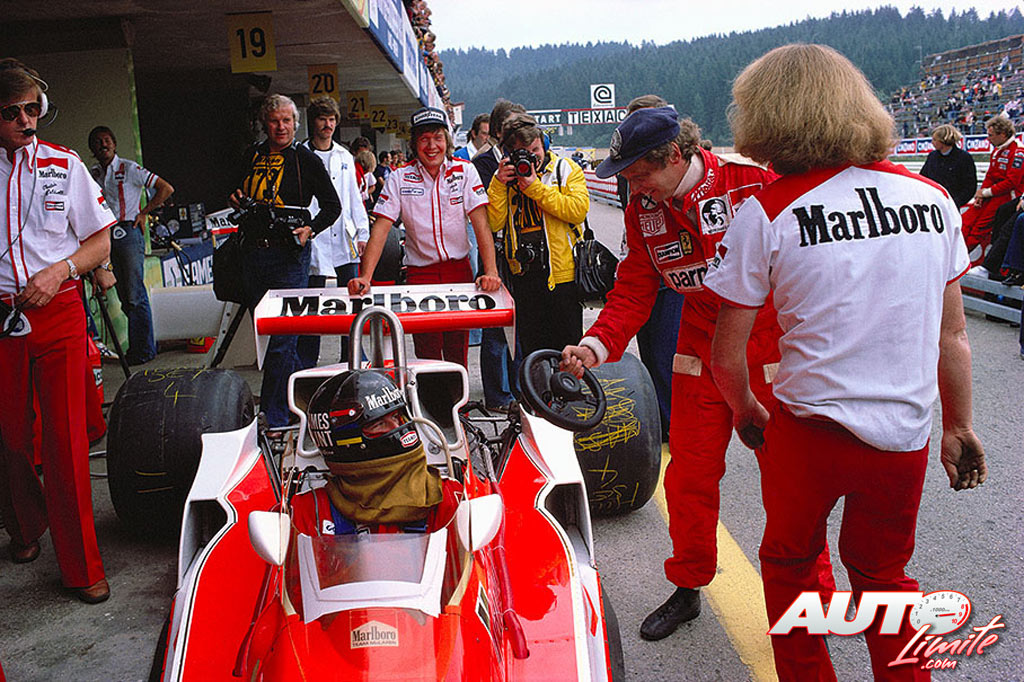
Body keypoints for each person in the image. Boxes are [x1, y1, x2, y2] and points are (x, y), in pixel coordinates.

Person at [705, 43, 987, 682]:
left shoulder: (766, 210)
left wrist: (746, 410)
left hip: (808, 432)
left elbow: (726, 355)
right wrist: (958, 425)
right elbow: (954, 335)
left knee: (789, 565)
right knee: (884, 575)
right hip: (905, 437)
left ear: (769, 118)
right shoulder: (933, 198)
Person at [560, 105, 835, 641]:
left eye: (640, 174)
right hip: (699, 353)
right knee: (689, 479)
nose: (634, 187)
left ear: (674, 155)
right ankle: (688, 586)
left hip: (770, 352)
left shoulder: (753, 183)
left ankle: (813, 601)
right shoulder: (643, 209)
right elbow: (634, 286)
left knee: (794, 484)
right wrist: (597, 344)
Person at [0, 59, 115, 603]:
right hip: (4, 316)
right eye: (11, 112)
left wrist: (61, 270)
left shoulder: (64, 165)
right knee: (9, 438)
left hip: (60, 308)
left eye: (32, 109)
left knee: (67, 442)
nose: (26, 120)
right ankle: (24, 525)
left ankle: (82, 566)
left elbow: (100, 242)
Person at [348, 107, 501, 366]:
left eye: (438, 138)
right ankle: (430, 394)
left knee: (457, 351)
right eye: (424, 139)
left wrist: (491, 272)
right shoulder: (399, 177)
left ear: (447, 141)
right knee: (427, 354)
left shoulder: (465, 171)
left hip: (459, 271)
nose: (432, 146)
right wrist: (365, 277)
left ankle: (458, 394)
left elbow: (481, 225)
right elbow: (381, 229)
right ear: (414, 143)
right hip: (420, 275)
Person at [230, 94, 340, 428]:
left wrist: (311, 228)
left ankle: (274, 414)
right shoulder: (252, 155)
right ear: (265, 124)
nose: (281, 127)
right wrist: (235, 197)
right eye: (275, 121)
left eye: (287, 121)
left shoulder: (306, 159)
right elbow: (233, 188)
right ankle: (296, 402)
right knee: (269, 336)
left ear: (295, 123)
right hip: (253, 254)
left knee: (284, 337)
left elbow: (332, 206)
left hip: (289, 257)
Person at [291, 369, 459, 537]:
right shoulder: (307, 510)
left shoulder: (449, 497)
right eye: (378, 424)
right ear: (346, 439)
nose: (396, 427)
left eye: (396, 417)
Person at [487, 113, 590, 355]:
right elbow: (493, 223)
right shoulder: (504, 180)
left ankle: (567, 383)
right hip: (524, 276)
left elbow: (577, 211)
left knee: (568, 352)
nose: (533, 157)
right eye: (524, 152)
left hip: (563, 276)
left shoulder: (565, 169)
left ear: (544, 143)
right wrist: (498, 184)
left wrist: (535, 188)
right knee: (533, 353)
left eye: (536, 149)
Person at [88, 125, 174, 365]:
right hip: (105, 236)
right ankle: (143, 346)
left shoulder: (129, 168)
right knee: (123, 295)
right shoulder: (93, 174)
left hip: (128, 232)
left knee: (135, 294)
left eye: (107, 140)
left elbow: (166, 188)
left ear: (114, 144)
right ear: (92, 148)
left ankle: (143, 352)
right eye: (97, 142)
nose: (103, 145)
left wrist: (144, 212)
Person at [298, 97, 369, 368]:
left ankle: (352, 354)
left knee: (351, 299)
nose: (327, 125)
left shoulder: (344, 157)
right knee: (311, 303)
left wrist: (362, 232)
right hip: (313, 236)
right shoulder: (300, 155)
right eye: (322, 119)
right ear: (313, 121)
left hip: (344, 237)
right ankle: (307, 359)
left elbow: (354, 198)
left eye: (331, 120)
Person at [472, 100, 526, 409]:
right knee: (495, 327)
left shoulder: (524, 158)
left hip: (520, 251)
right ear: (496, 131)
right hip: (493, 251)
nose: (516, 132)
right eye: (510, 127)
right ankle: (497, 394)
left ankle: (519, 389)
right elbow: (484, 213)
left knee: (519, 324)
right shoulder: (482, 163)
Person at [959, 115, 1023, 264]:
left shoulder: (1018, 151)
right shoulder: (997, 150)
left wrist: (987, 192)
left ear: (1003, 134)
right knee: (967, 219)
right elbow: (990, 175)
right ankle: (952, 253)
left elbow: (1011, 182)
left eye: (991, 135)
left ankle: (959, 259)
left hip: (1008, 196)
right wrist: (980, 194)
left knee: (980, 227)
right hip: (993, 193)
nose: (988, 139)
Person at [919, 124, 977, 208]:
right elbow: (923, 177)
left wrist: (955, 203)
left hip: (952, 204)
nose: (932, 142)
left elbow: (969, 186)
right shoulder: (932, 156)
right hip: (933, 204)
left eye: (935, 140)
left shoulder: (963, 157)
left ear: (943, 140)